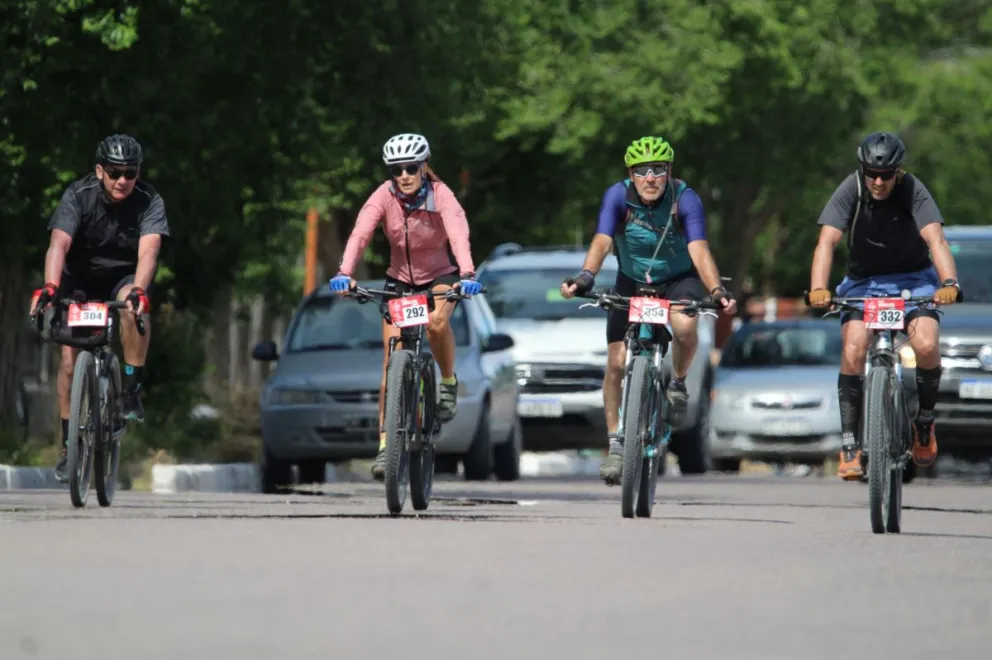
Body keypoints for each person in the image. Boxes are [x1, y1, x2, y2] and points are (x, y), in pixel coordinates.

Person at [559, 136, 737, 485]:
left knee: (686, 329)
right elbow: (603, 240)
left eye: (659, 170)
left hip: (677, 280)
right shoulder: (617, 196)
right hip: (631, 281)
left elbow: (699, 248)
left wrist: (716, 289)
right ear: (631, 175)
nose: (651, 178)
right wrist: (585, 276)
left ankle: (680, 383)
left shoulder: (685, 198)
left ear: (669, 172)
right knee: (614, 362)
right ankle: (615, 445)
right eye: (642, 171)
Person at [808, 131, 961, 480]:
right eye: (871, 174)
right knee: (853, 348)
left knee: (926, 344)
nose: (878, 182)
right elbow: (826, 242)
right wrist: (818, 287)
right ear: (862, 169)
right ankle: (850, 444)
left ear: (898, 171)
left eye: (886, 175)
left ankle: (923, 421)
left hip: (913, 281)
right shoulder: (852, 188)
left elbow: (936, 239)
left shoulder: (912, 190)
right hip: (864, 284)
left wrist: (948, 282)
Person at [328, 133, 481, 480]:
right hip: (399, 281)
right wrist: (344, 273)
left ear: (424, 166)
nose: (404, 175)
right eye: (397, 169)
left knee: (437, 325)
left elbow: (458, 234)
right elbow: (360, 234)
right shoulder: (383, 195)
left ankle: (446, 380)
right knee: (389, 365)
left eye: (411, 167)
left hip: (440, 277)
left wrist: (467, 273)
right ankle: (385, 446)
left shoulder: (442, 195)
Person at [29, 133, 170, 483]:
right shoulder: (79, 196)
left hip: (123, 276)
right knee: (67, 360)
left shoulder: (149, 200)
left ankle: (131, 388)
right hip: (78, 280)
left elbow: (149, 252)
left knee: (133, 309)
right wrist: (50, 286)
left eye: (130, 172)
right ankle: (67, 446)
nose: (122, 180)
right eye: (114, 172)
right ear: (99, 170)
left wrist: (138, 290)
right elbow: (58, 245)